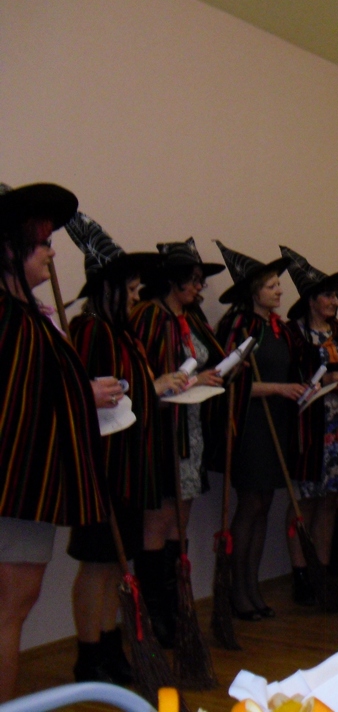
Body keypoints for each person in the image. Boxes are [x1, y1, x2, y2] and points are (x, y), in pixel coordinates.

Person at [64, 212, 188, 682]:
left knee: (116, 564)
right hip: (103, 467)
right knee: (96, 563)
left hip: (130, 466)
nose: (137, 297)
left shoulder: (123, 334)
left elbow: (133, 389)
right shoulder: (90, 330)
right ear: (109, 290)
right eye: (131, 290)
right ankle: (89, 652)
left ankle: (109, 643)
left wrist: (154, 387)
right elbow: (90, 397)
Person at [0, 183, 106, 702]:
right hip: (14, 489)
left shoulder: (26, 316)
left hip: (23, 490)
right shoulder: (10, 317)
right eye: (42, 243)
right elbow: (17, 399)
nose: (52, 253)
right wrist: (84, 393)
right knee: (8, 611)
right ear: (11, 249)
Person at [129, 237, 226, 646]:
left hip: (191, 428)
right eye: (194, 280)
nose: (200, 288)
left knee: (179, 520)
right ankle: (155, 614)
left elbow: (213, 356)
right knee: (158, 519)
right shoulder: (150, 316)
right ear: (174, 281)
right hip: (160, 431)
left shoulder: (191, 318)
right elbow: (141, 374)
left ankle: (174, 608)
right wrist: (192, 378)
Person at [215, 241, 304, 620]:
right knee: (250, 504)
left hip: (276, 425)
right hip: (250, 425)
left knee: (264, 504)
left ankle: (252, 586)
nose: (280, 290)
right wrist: (278, 389)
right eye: (271, 286)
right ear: (254, 292)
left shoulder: (279, 329)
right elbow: (227, 381)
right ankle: (237, 590)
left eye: (278, 284)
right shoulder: (240, 327)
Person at [281, 244, 338, 606]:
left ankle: (322, 573)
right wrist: (327, 380)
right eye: (328, 295)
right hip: (309, 431)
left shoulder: (337, 330)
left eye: (336, 295)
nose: (334, 301)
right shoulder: (294, 334)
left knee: (329, 501)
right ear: (311, 300)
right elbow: (292, 377)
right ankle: (301, 573)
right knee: (305, 501)